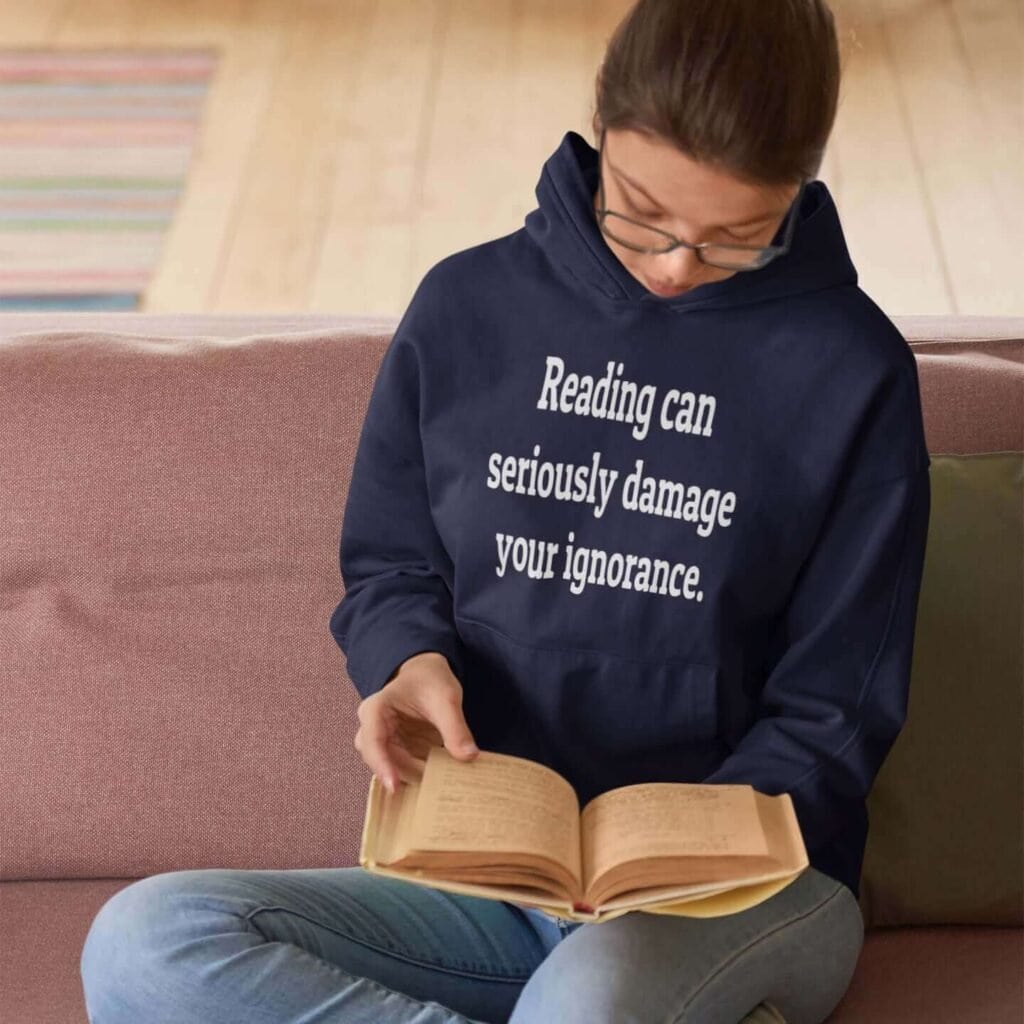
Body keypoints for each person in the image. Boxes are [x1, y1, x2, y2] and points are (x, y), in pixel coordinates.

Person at [79, 1, 932, 1022]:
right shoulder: (465, 308)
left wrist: (682, 854)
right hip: (492, 882)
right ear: (599, 132)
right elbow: (393, 562)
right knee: (145, 943)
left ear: (797, 191)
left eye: (733, 241)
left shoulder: (851, 371)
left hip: (749, 892)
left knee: (586, 1001)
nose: (671, 268)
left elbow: (836, 708)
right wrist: (405, 660)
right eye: (639, 212)